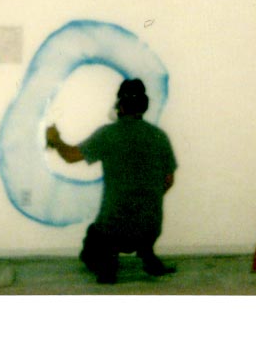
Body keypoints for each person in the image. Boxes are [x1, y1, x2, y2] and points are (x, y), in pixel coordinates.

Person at [46, 77, 177, 284]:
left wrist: (55, 139)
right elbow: (168, 181)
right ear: (144, 106)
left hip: (115, 229)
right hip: (150, 229)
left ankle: (107, 261)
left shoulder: (108, 134)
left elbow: (70, 157)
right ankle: (147, 253)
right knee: (142, 220)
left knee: (94, 239)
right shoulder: (160, 136)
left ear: (120, 106)